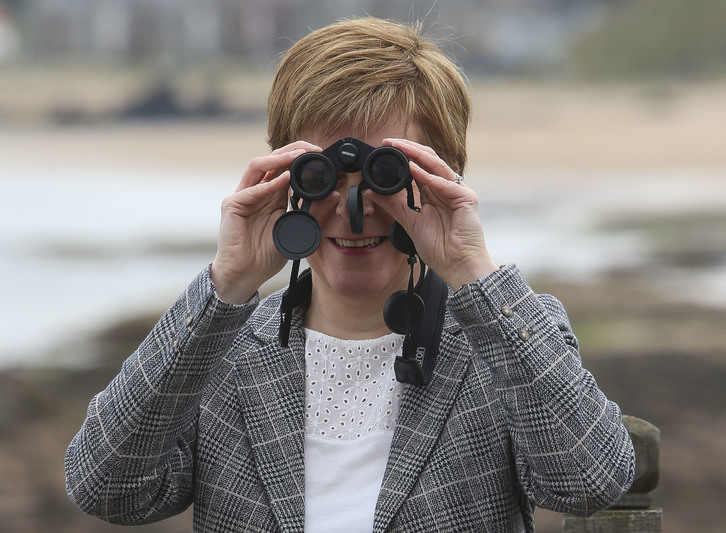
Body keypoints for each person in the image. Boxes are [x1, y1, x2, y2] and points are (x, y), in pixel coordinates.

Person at [65, 17, 635, 533]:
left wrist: (470, 269)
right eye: (321, 175)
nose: (352, 206)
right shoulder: (226, 352)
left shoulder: (500, 342)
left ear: (442, 178)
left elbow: (590, 480)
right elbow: (107, 488)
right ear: (285, 177)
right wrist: (226, 286)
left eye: (384, 175)